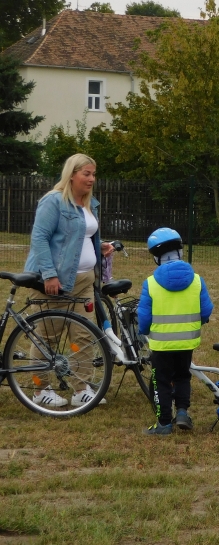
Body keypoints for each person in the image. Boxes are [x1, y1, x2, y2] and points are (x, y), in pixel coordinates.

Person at [24, 153, 114, 407]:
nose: (92, 179)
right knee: (47, 337)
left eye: (93, 174)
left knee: (84, 336)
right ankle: (40, 390)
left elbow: (81, 236)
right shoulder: (53, 201)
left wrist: (99, 247)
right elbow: (39, 238)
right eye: (86, 174)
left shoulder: (89, 203)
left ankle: (81, 389)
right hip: (55, 283)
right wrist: (49, 275)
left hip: (85, 282)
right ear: (72, 174)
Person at [138, 228, 214, 435]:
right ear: (180, 251)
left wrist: (143, 331)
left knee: (161, 381)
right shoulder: (196, 280)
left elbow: (144, 317)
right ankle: (182, 412)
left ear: (156, 257)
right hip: (187, 341)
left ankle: (164, 423)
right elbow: (206, 310)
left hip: (161, 344)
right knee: (182, 376)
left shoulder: (151, 283)